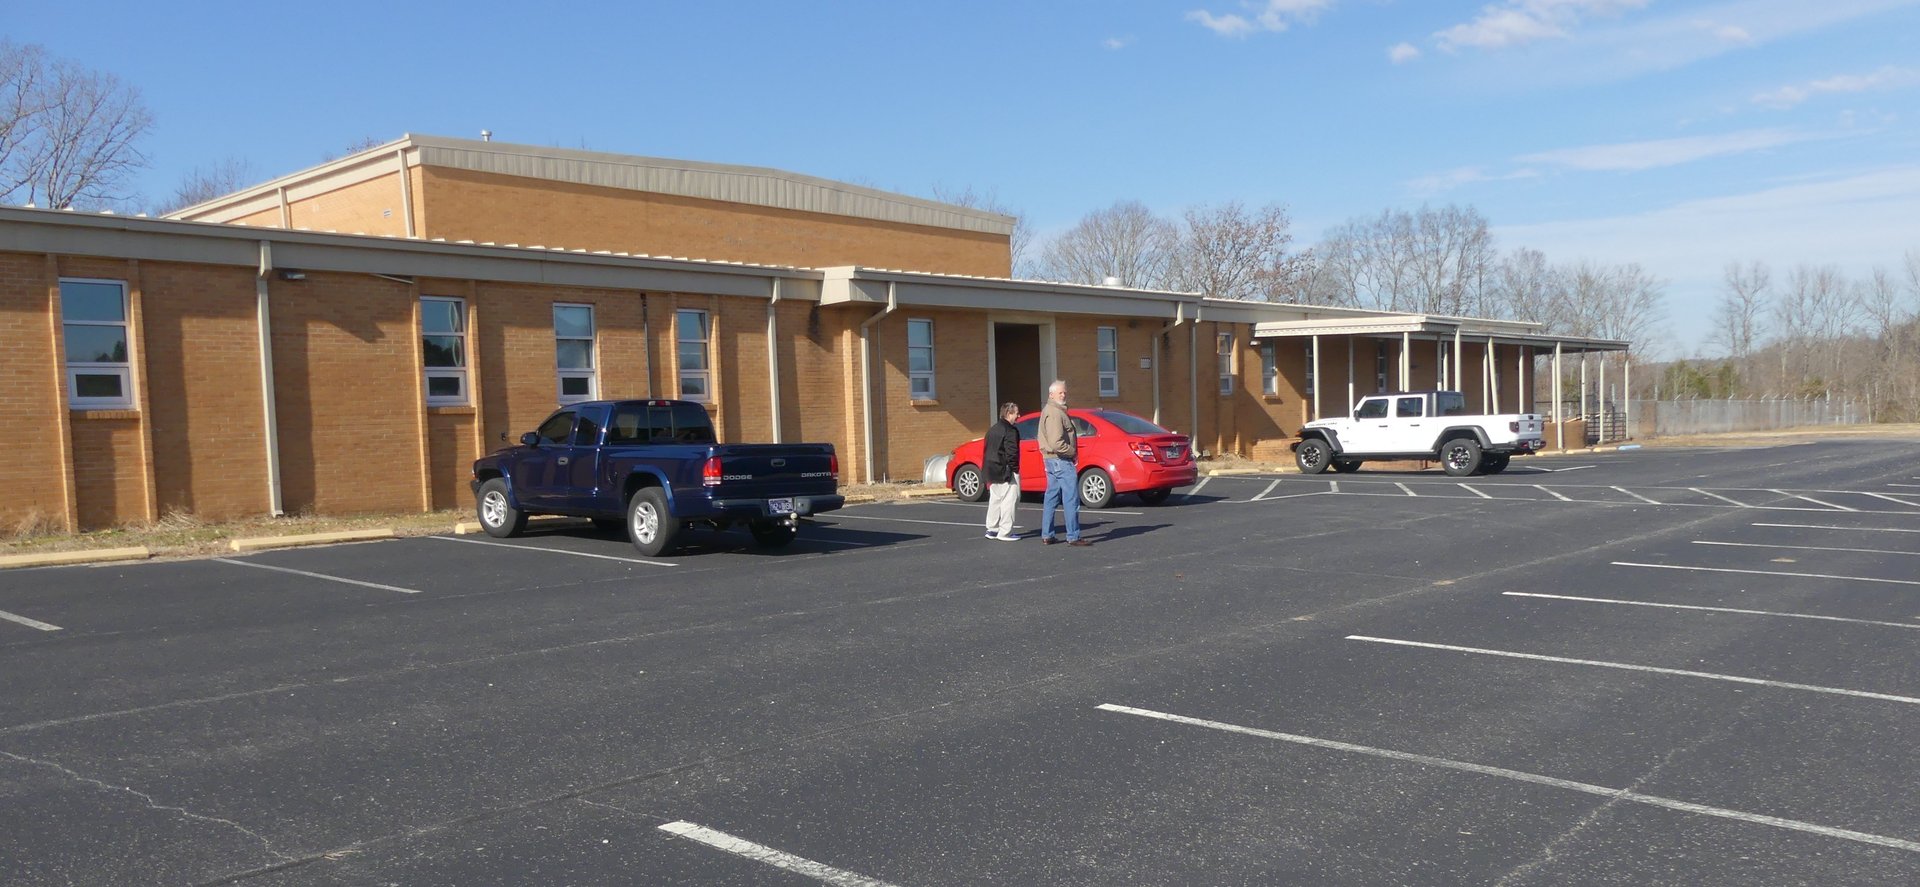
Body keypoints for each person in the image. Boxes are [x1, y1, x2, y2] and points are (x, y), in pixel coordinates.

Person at [1037, 380, 1088, 546]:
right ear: (1051, 394)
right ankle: (1073, 536)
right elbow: (1056, 442)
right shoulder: (1054, 412)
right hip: (1060, 459)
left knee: (1051, 496)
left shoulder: (1053, 410)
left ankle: (1048, 534)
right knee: (1071, 498)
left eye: (1064, 392)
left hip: (1052, 460)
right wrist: (1072, 452)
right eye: (1060, 393)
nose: (1064, 395)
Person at [982, 402, 1022, 541]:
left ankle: (992, 529)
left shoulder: (993, 429)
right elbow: (1012, 453)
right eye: (1016, 413)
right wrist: (1015, 469)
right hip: (1005, 470)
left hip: (991, 469)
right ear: (1009, 413)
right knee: (1009, 501)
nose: (1018, 416)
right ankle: (1005, 532)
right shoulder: (1010, 431)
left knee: (995, 500)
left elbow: (987, 449)